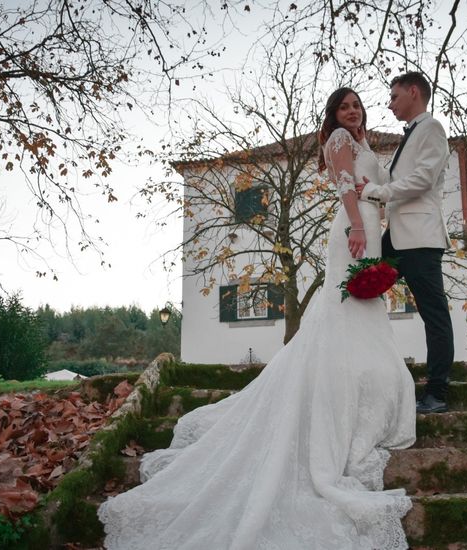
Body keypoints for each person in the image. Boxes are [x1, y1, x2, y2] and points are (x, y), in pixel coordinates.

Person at [97, 87, 416, 550]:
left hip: (369, 223)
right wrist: (360, 226)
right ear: (333, 115)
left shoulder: (363, 143)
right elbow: (347, 186)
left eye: (357, 105)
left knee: (361, 308)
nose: (354, 111)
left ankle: (362, 381)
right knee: (345, 305)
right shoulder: (339, 143)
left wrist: (376, 214)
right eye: (345, 107)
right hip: (354, 227)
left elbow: (375, 185)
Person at [358, 71, 453, 414]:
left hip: (420, 239)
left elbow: (423, 179)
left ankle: (438, 393)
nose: (389, 103)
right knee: (357, 287)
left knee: (434, 316)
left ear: (414, 92)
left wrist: (378, 192)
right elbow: (395, 177)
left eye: (394, 96)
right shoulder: (410, 136)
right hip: (397, 237)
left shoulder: (432, 129)